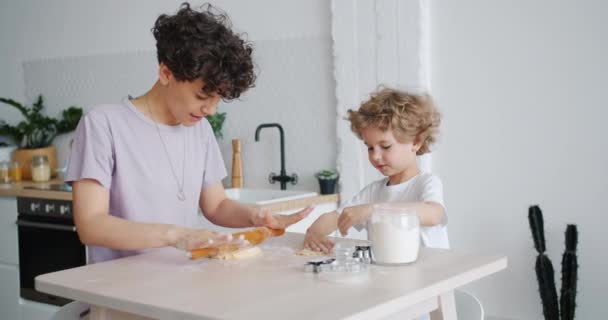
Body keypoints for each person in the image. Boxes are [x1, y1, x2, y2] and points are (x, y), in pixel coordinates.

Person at [66, 3, 312, 264]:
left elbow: (216, 205)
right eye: (202, 96)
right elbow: (91, 225)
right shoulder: (103, 125)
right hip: (117, 291)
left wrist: (254, 216)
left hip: (180, 283)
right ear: (165, 73)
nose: (210, 110)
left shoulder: (200, 130)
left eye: (218, 99)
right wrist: (176, 235)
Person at [303, 87, 448, 253]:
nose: (376, 156)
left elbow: (434, 215)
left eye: (385, 146)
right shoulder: (373, 191)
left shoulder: (426, 183)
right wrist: (314, 232)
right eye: (370, 148)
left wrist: (374, 210)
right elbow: (337, 217)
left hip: (432, 274)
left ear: (416, 142)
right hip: (393, 273)